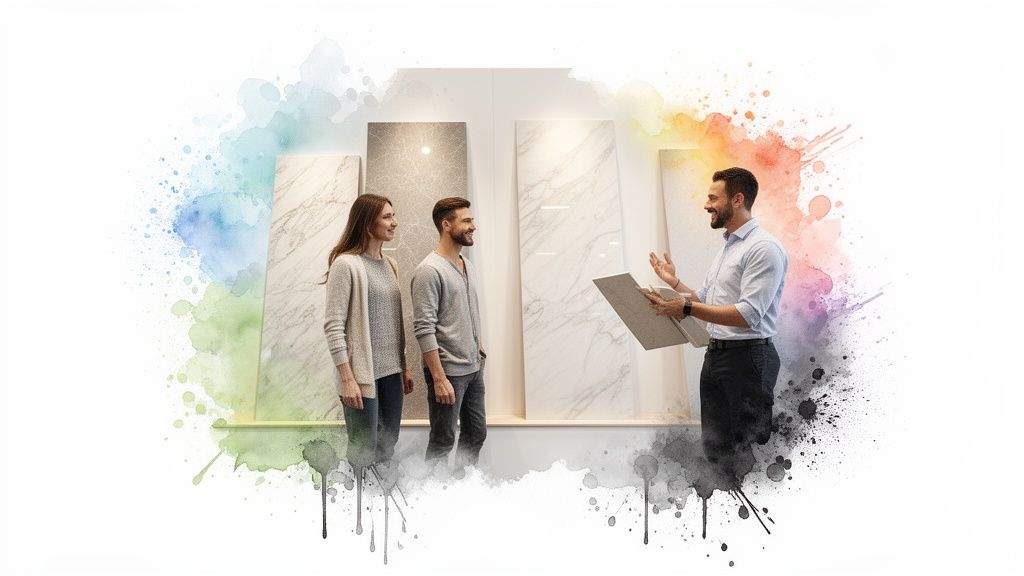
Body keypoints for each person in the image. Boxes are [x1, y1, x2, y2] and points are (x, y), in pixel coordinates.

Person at [645, 167, 788, 480]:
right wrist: (676, 283)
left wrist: (685, 307)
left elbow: (747, 313)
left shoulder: (763, 248)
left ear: (737, 200)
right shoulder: (730, 247)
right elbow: (706, 301)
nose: (707, 204)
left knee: (745, 451)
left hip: (748, 361)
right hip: (717, 358)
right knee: (715, 450)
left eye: (713, 198)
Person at [323, 194, 415, 472]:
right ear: (366, 222)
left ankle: (379, 506)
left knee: (388, 444)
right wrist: (347, 379)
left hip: (392, 373)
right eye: (387, 217)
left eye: (393, 216)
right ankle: (358, 506)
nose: (394, 222)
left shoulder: (390, 265)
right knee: (363, 449)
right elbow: (333, 325)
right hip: (362, 375)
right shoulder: (346, 264)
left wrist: (405, 367)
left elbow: (393, 321)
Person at [411, 197, 487, 467]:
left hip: (474, 369)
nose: (473, 226)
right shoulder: (429, 271)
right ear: (446, 225)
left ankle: (462, 493)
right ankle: (434, 500)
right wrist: (439, 378)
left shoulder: (466, 265)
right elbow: (423, 328)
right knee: (443, 441)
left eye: (472, 220)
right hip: (449, 374)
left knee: (476, 434)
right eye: (466, 221)